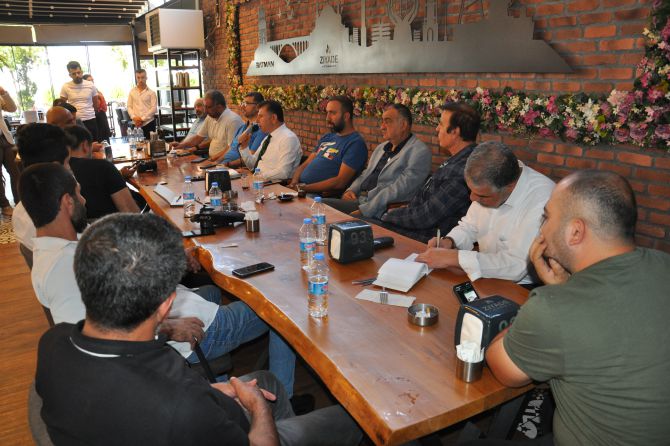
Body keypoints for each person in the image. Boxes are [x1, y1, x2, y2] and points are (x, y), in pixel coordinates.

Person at [34, 210, 362, 445]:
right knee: (350, 420)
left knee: (267, 381)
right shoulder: (182, 408)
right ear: (167, 305)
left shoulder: (53, 343)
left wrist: (211, 391)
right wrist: (256, 407)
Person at [21, 165, 297, 394]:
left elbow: (128, 279)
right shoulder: (63, 269)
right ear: (67, 202)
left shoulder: (61, 247)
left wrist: (174, 262)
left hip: (174, 309)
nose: (84, 200)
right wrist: (168, 328)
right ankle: (282, 395)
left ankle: (219, 386)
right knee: (281, 307)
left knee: (212, 291)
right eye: (79, 194)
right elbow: (98, 340)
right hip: (188, 331)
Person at [484, 170, 670, 445]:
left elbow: (502, 367)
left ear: (575, 231)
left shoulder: (554, 308)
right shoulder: (663, 263)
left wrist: (552, 295)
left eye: (546, 217)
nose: (542, 229)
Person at [416, 141, 554, 284]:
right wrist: (450, 241)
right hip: (486, 275)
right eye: (471, 191)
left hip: (523, 287)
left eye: (482, 196)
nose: (472, 198)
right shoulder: (491, 183)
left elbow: (517, 265)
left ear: (510, 186)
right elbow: (469, 226)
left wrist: (453, 258)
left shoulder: (543, 200)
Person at [370, 102, 479, 242]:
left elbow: (426, 216)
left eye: (441, 124)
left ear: (455, 132)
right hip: (413, 224)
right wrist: (404, 210)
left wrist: (388, 215)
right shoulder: (457, 159)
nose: (437, 129)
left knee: (361, 228)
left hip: (426, 238)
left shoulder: (463, 169)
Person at [322, 103, 432, 218]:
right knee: (319, 205)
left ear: (403, 125)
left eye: (387, 121)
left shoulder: (419, 152)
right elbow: (366, 174)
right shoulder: (381, 148)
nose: (382, 127)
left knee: (322, 209)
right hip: (358, 200)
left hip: (379, 210)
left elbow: (398, 190)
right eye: (382, 122)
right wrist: (350, 191)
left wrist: (365, 210)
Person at [288, 96, 367, 197]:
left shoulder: (355, 143)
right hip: (301, 190)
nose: (327, 118)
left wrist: (303, 188)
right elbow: (305, 164)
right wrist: (294, 183)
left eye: (332, 113)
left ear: (346, 116)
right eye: (327, 113)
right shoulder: (327, 137)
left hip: (318, 196)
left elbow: (340, 182)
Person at [12, 123, 71, 251]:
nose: (69, 168)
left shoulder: (19, 212)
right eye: (68, 162)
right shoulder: (58, 215)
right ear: (56, 167)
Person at [64, 125, 141, 218]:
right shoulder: (103, 167)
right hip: (113, 224)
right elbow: (131, 212)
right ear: (85, 145)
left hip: (83, 225)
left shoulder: (59, 172)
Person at [171, 90, 243, 163]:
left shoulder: (233, 121)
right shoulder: (210, 117)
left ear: (219, 107)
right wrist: (181, 145)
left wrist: (213, 161)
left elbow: (231, 149)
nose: (206, 110)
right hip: (213, 160)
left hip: (226, 163)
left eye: (209, 107)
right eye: (205, 107)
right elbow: (198, 138)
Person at [239, 100, 302, 182]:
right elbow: (252, 165)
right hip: (260, 182)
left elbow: (283, 173)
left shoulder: (288, 138)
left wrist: (256, 177)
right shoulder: (268, 137)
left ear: (273, 118)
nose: (257, 121)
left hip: (275, 185)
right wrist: (244, 147)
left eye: (261, 116)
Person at [222, 91, 267, 168]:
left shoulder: (261, 130)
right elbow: (230, 148)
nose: (242, 107)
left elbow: (251, 159)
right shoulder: (242, 127)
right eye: (242, 103)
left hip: (236, 169)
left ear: (257, 107)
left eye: (246, 104)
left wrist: (228, 164)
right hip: (224, 165)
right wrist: (216, 162)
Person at [60, 61, 99, 141]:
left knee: (94, 144)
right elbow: (62, 106)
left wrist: (90, 112)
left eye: (78, 72)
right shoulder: (66, 86)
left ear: (82, 72)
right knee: (77, 145)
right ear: (70, 75)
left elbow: (96, 104)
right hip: (75, 122)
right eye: (74, 74)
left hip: (90, 119)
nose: (77, 75)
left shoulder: (90, 85)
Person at [0, 85, 18, 216]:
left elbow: (12, 108)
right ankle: (4, 205)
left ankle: (20, 201)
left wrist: (4, 93)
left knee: (16, 170)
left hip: (5, 138)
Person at [126, 68, 157, 140]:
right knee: (136, 144)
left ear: (146, 78)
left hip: (148, 123)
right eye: (138, 77)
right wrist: (134, 117)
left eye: (142, 77)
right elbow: (129, 106)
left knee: (150, 144)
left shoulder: (152, 93)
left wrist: (142, 119)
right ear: (136, 78)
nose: (140, 80)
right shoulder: (132, 92)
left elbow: (154, 108)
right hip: (136, 124)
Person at [83, 73, 111, 141]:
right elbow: (96, 105)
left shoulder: (97, 91)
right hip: (94, 117)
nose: (92, 82)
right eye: (89, 80)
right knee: (98, 138)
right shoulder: (85, 93)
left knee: (105, 138)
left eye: (92, 80)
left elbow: (104, 107)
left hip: (101, 115)